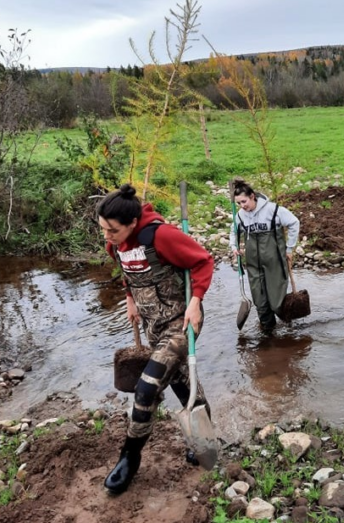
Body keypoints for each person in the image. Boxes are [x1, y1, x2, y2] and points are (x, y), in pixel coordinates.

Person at [97, 183, 214, 495]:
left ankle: (129, 457)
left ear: (132, 224)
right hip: (154, 326)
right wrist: (130, 299)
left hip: (182, 322)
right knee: (179, 380)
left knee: (147, 387)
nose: (107, 237)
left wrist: (196, 301)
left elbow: (203, 261)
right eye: (103, 229)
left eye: (112, 230)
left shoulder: (160, 235)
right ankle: (204, 440)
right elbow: (126, 271)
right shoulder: (116, 245)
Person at [229, 179, 300, 332]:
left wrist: (289, 249)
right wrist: (234, 247)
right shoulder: (240, 216)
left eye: (244, 201)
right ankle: (268, 338)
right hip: (253, 264)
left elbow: (294, 222)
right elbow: (233, 232)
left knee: (276, 303)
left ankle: (291, 328)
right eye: (239, 203)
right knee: (260, 304)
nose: (242, 206)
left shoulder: (273, 210)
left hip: (275, 262)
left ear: (252, 196)